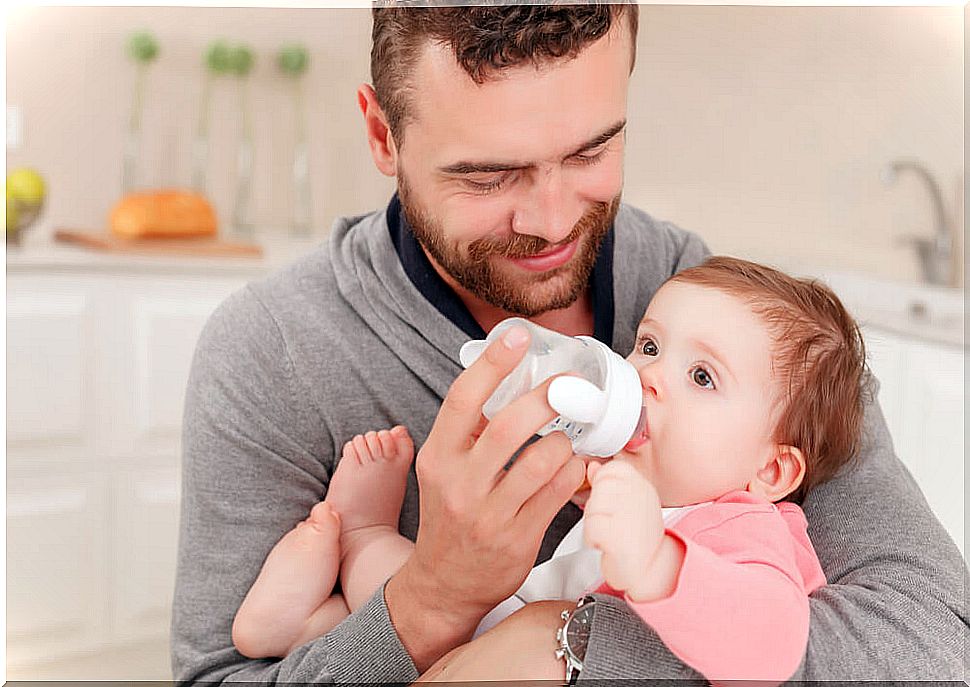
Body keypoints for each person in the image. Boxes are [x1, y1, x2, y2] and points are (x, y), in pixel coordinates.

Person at [171, 4, 967, 684]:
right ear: (383, 134)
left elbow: (935, 642)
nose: (552, 222)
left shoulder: (736, 321)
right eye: (487, 177)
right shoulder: (274, 351)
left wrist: (565, 643)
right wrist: (434, 599)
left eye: (591, 151)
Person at [231, 255, 868, 685]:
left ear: (772, 469)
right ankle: (323, 603)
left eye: (702, 376)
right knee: (416, 581)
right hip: (497, 633)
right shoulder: (628, 480)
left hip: (526, 647)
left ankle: (344, 569)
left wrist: (658, 561)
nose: (646, 375)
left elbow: (776, 642)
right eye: (649, 346)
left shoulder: (741, 528)